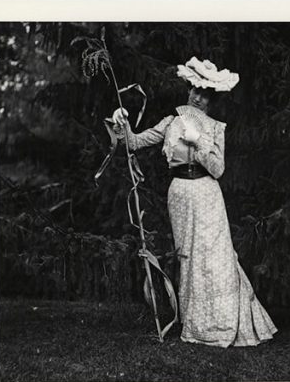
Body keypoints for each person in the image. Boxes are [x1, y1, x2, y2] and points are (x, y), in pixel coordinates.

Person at [111, 57, 276, 347]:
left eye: (205, 94)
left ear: (211, 99)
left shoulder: (215, 128)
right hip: (179, 193)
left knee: (213, 256)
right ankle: (193, 323)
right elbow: (133, 143)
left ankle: (220, 324)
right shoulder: (171, 122)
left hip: (206, 192)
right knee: (187, 256)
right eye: (195, 91)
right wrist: (121, 122)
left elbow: (218, 169)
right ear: (188, 90)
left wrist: (198, 140)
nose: (198, 98)